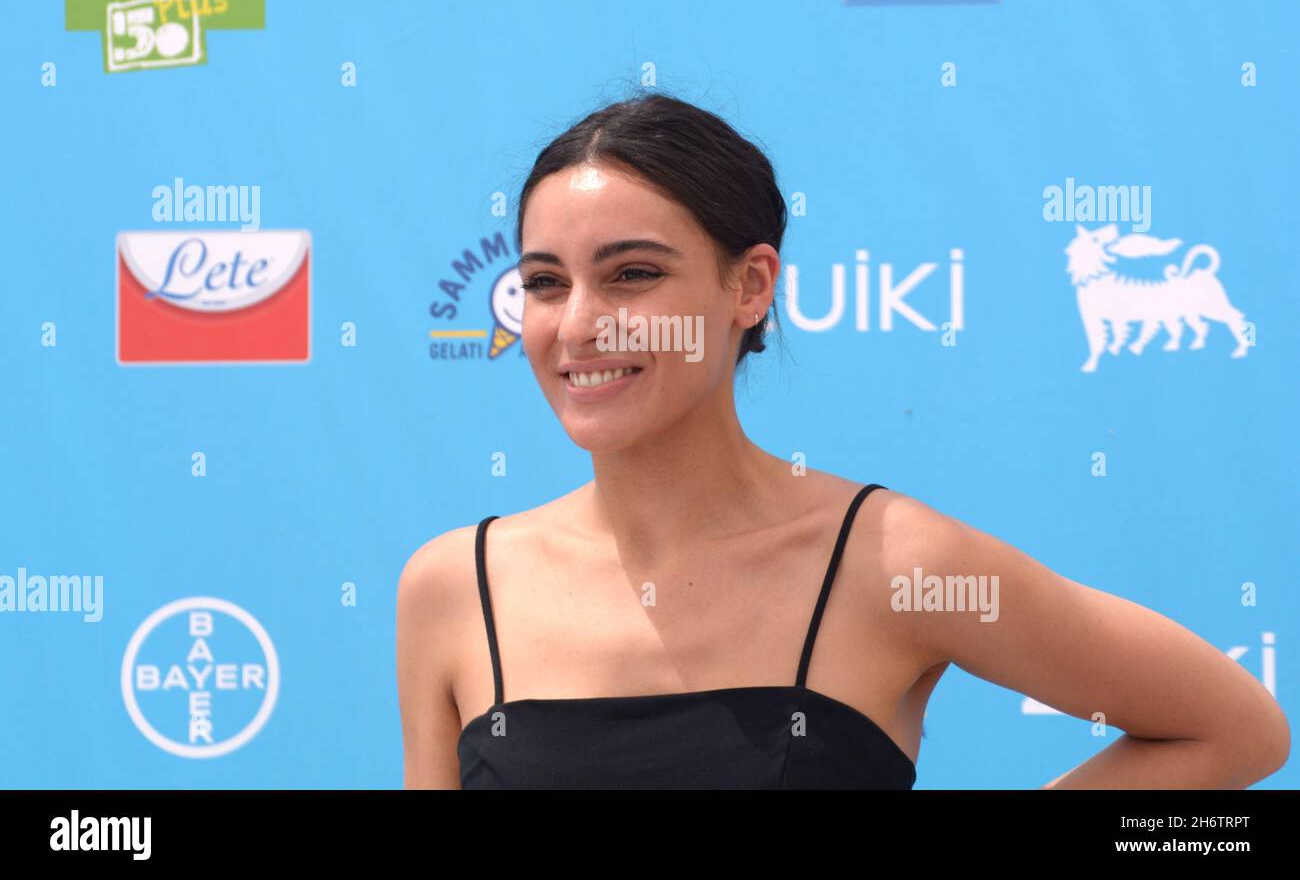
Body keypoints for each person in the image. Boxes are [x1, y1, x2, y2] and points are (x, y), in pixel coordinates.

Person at [396, 91, 1289, 789]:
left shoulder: (892, 560)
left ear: (749, 287)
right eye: (546, 282)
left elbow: (1238, 731)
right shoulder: (454, 584)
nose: (580, 324)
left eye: (633, 274)